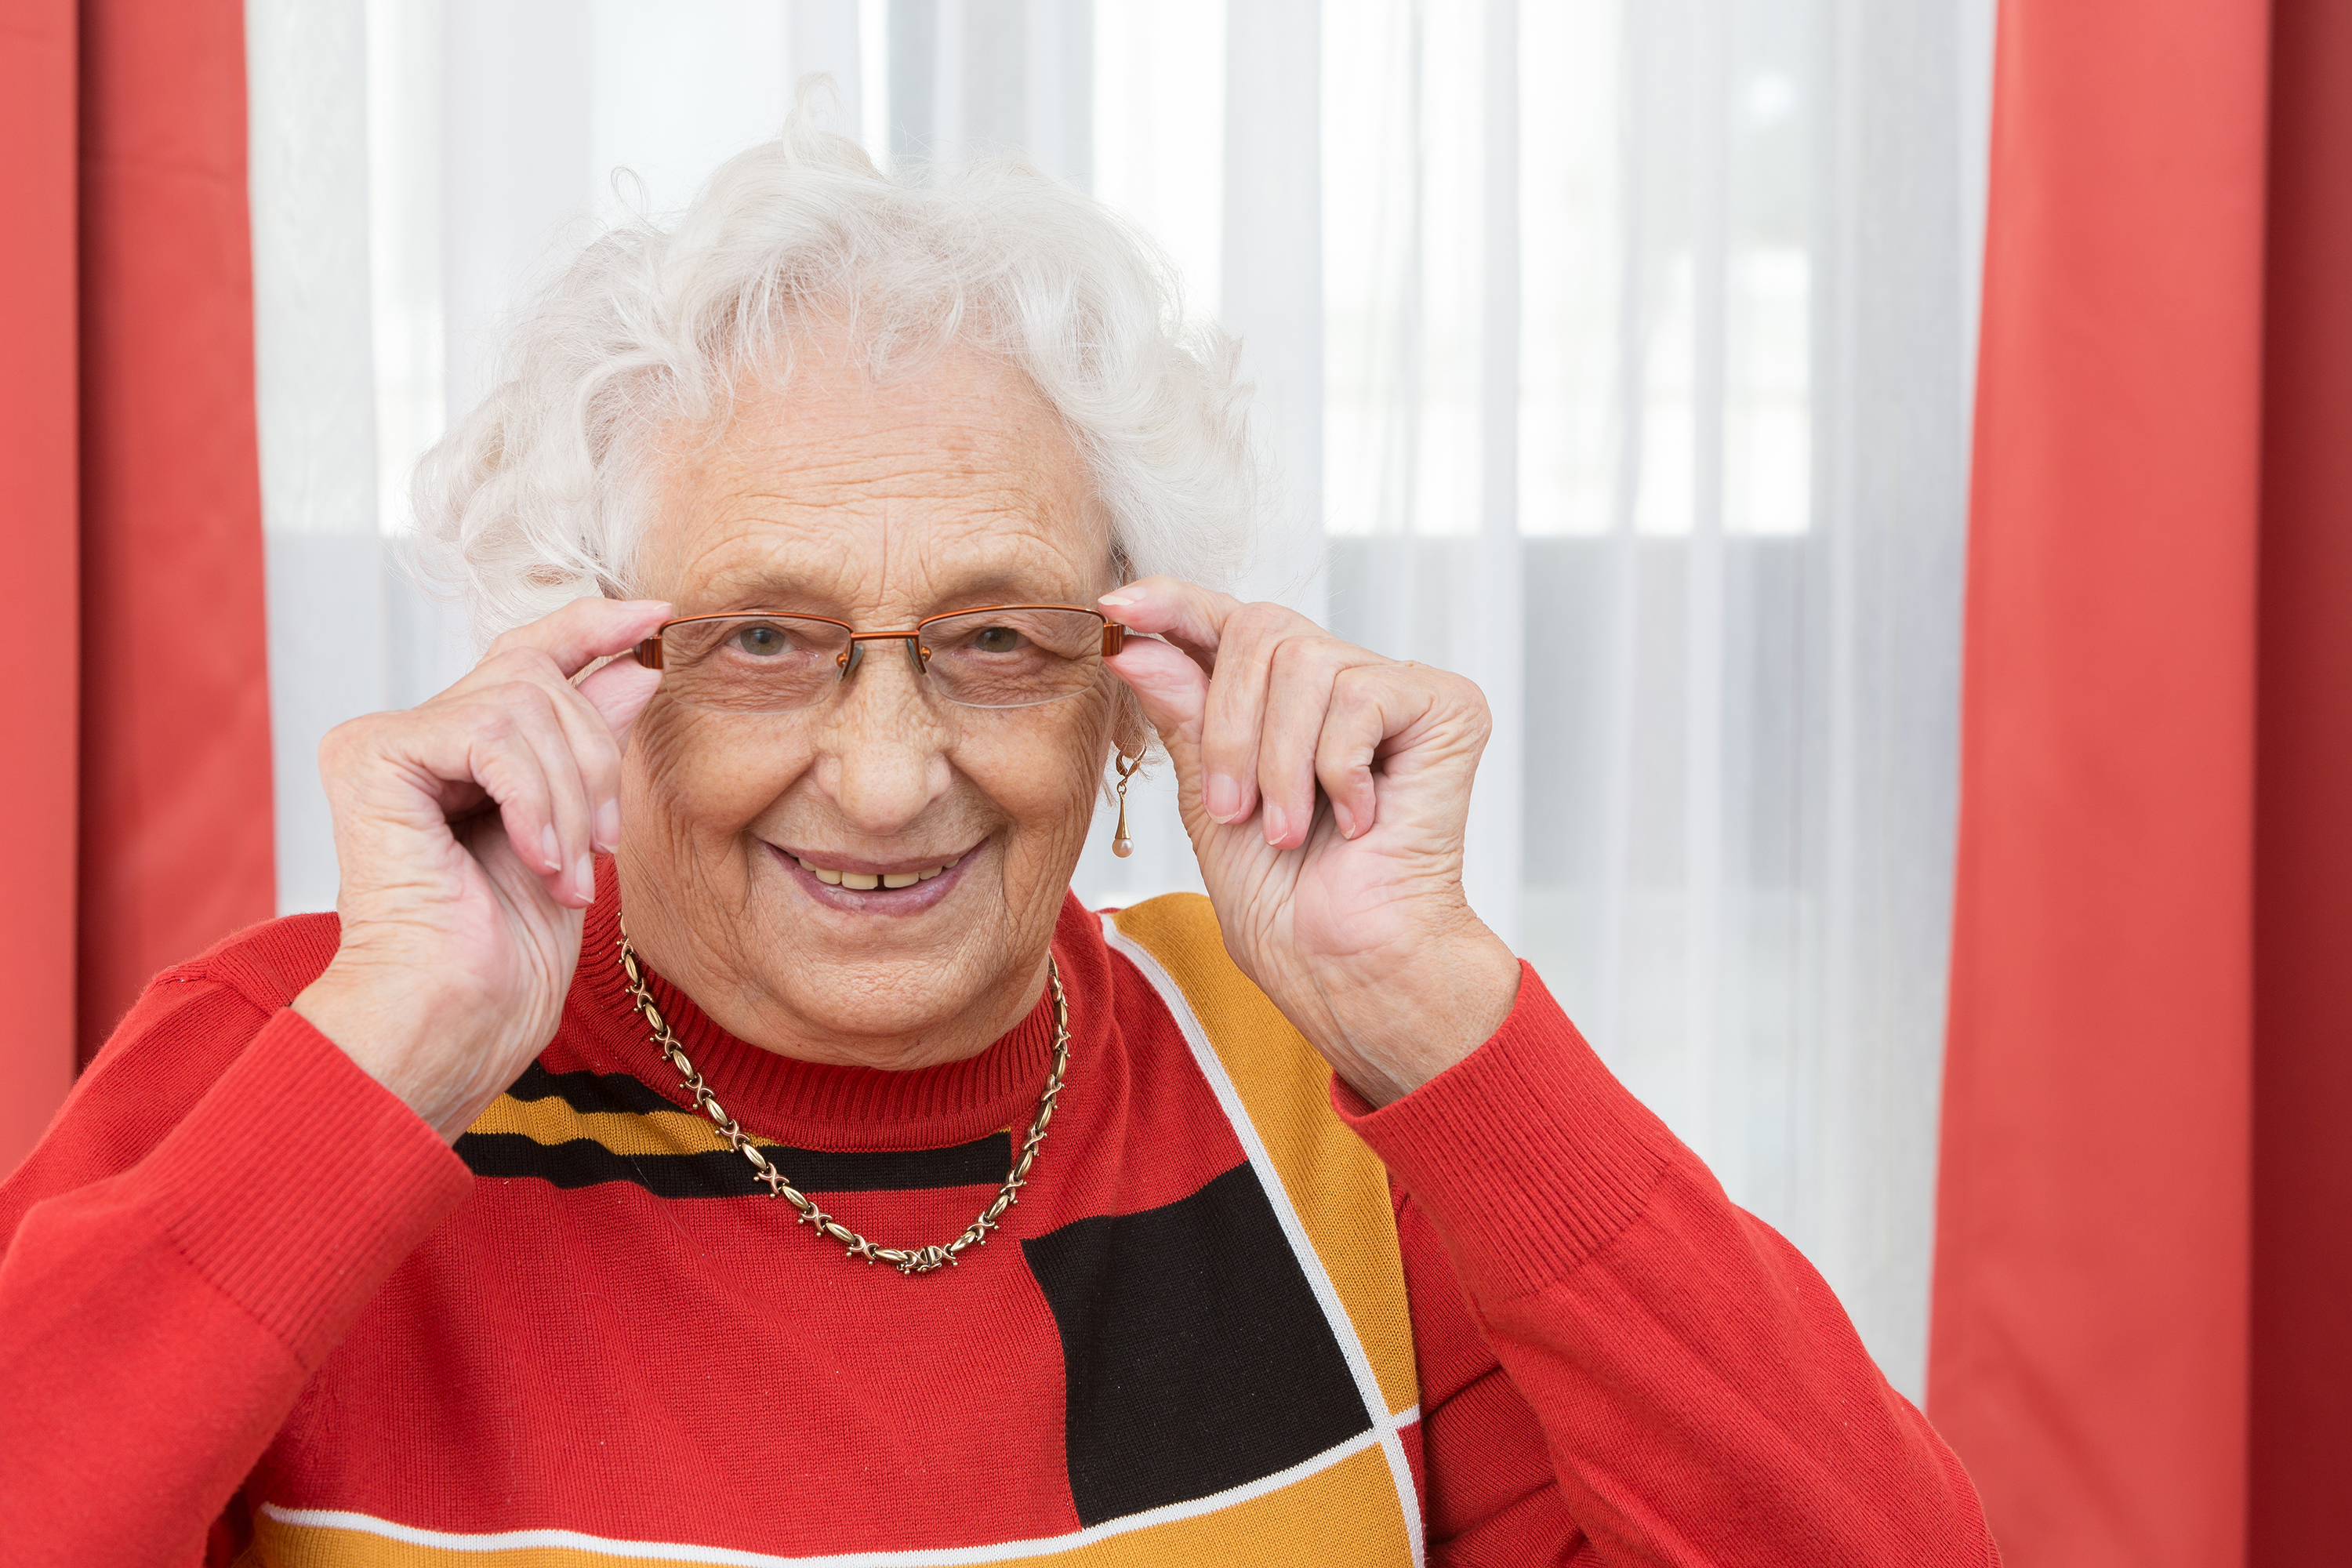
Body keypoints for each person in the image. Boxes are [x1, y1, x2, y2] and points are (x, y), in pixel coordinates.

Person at [0, 114, 1994, 1566]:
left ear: (1139, 686)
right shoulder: (318, 1064)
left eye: (996, 641)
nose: (885, 775)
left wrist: (1441, 1014)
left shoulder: (1327, 1101)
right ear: (588, 666)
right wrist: (391, 1060)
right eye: (764, 639)